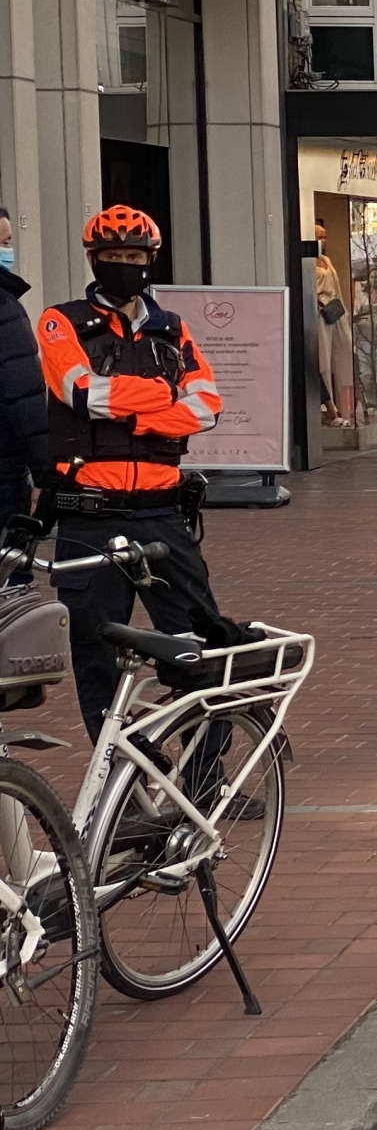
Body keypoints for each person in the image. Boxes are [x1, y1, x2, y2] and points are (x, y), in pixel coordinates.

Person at [37, 207, 228, 737]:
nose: (126, 266)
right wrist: (164, 398)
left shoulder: (173, 329)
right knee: (96, 653)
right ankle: (119, 796)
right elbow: (80, 391)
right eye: (114, 257)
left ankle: (206, 783)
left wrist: (125, 404)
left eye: (136, 257)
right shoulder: (60, 321)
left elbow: (207, 406)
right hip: (90, 520)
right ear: (95, 260)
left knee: (198, 646)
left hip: (163, 516)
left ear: (151, 260)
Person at [0, 207, 41, 524]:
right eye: (2, 243)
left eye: (9, 241)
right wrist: (46, 470)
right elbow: (23, 395)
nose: (8, 251)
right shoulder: (4, 308)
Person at [311, 218, 356, 428]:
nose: (323, 240)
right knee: (323, 359)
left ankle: (344, 404)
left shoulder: (326, 260)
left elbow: (336, 287)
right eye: (318, 236)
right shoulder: (308, 262)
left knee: (343, 351)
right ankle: (328, 407)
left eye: (324, 237)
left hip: (334, 310)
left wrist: (342, 310)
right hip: (320, 311)